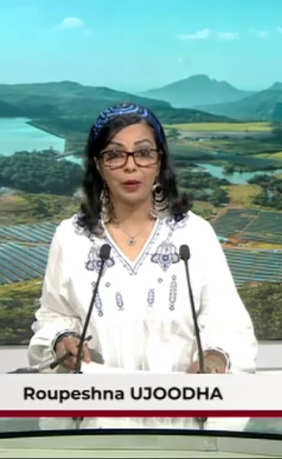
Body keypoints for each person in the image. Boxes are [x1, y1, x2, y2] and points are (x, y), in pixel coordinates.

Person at [27, 102, 258, 374]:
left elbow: (227, 322)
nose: (130, 166)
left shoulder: (195, 235)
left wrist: (215, 357)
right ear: (99, 165)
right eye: (115, 155)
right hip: (98, 398)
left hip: (181, 398)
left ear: (159, 162)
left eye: (143, 153)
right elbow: (53, 315)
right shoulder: (72, 237)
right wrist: (62, 339)